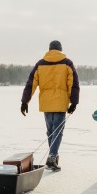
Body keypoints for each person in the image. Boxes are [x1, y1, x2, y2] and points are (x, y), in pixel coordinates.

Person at [21, 40, 80, 171]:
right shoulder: (67, 63)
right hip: (60, 102)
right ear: (60, 50)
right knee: (57, 131)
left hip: (46, 103)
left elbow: (31, 83)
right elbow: (74, 84)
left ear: (49, 50)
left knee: (50, 131)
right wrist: (74, 102)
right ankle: (52, 157)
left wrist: (25, 101)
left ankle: (53, 156)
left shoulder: (40, 64)